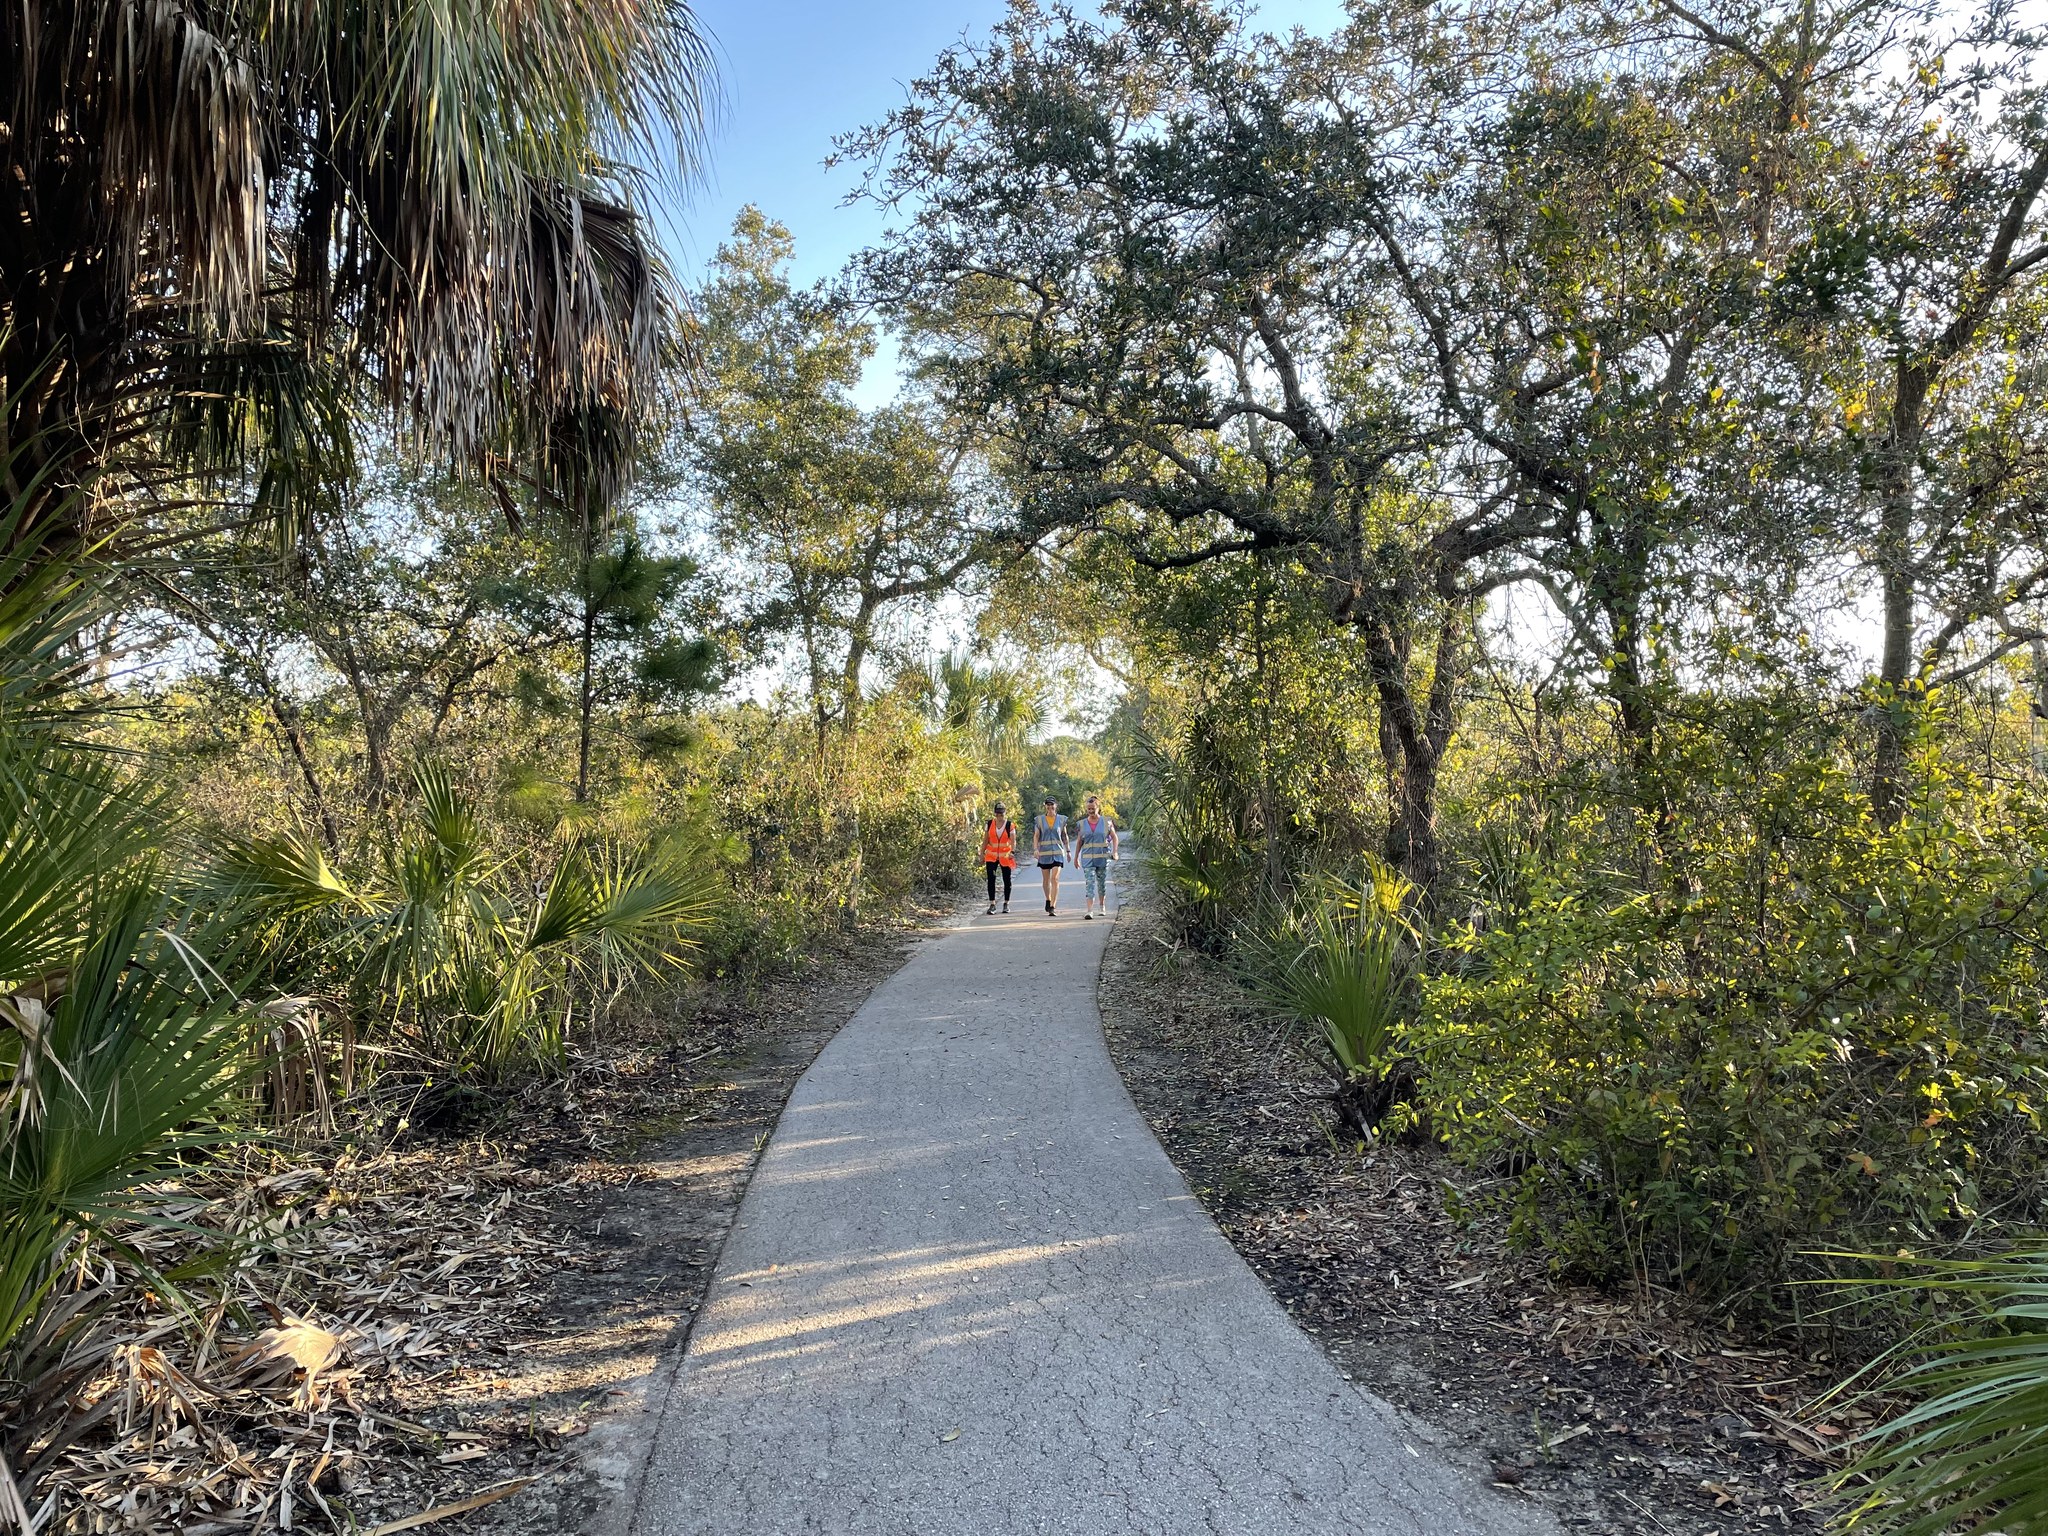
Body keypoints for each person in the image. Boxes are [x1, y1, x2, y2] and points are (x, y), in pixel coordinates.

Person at [1072, 794, 1119, 919]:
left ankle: (1102, 906)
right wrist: (1076, 858)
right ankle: (1089, 910)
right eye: (1089, 809)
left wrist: (1115, 852)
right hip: (1087, 859)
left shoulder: (1107, 822)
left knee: (1101, 883)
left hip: (1102, 858)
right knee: (1090, 883)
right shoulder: (1082, 824)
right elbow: (1079, 842)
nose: (1091, 811)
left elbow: (1114, 837)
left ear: (1098, 808)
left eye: (1093, 808)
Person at [1032, 796, 1068, 915]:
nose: (1050, 807)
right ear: (1045, 806)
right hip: (1044, 854)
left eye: (1052, 804)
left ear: (1056, 805)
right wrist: (1035, 849)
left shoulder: (1062, 819)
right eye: (1048, 805)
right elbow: (1036, 835)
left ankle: (1053, 906)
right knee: (1046, 880)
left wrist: (1068, 850)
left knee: (1055, 879)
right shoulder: (1039, 820)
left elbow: (1064, 835)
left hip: (1058, 853)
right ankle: (1048, 899)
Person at [981, 802, 1016, 914]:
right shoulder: (989, 824)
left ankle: (1006, 903)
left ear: (1005, 813)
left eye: (1001, 814)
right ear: (995, 813)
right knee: (991, 879)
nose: (999, 816)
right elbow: (985, 840)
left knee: (1007, 880)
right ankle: (992, 904)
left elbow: (1013, 840)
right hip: (991, 856)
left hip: (1005, 856)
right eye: (997, 814)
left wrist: (1012, 852)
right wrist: (981, 853)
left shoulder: (1010, 825)